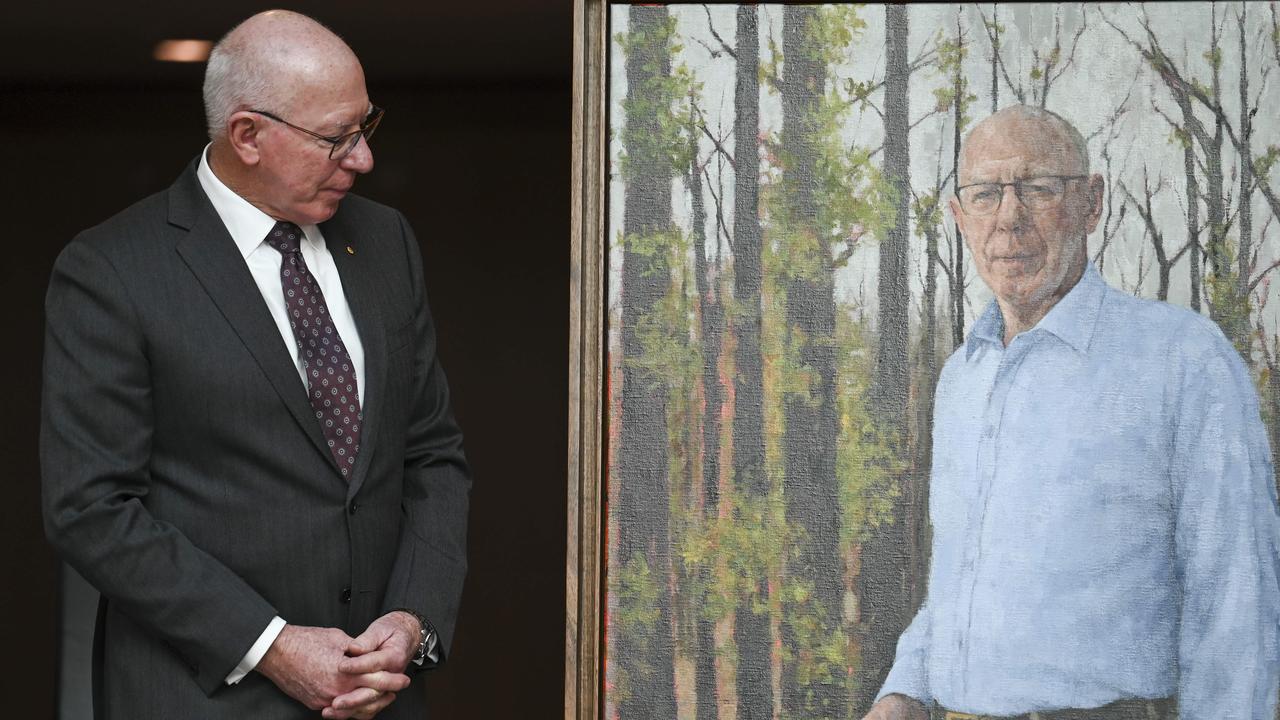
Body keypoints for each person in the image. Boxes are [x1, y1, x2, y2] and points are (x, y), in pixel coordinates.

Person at [40, 10, 470, 719]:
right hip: (200, 697)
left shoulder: (387, 241)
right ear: (247, 135)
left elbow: (432, 454)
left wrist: (413, 620)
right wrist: (273, 646)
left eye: (367, 127)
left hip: (381, 699)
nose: (362, 159)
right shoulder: (112, 269)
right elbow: (90, 508)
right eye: (337, 138)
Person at [864, 105, 1280, 720]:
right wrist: (903, 693)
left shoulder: (1181, 358)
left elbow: (1238, 605)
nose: (1009, 217)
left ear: (1091, 203)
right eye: (985, 194)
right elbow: (960, 583)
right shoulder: (963, 377)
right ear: (959, 217)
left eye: (1037, 188)